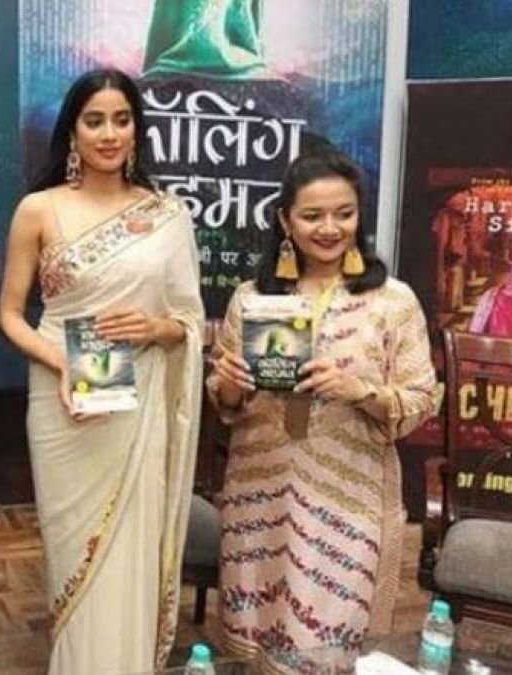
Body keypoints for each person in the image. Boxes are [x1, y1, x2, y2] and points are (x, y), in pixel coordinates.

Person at [0, 68, 204, 674]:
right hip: (62, 400)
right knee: (75, 556)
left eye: (121, 119)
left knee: (131, 548)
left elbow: (190, 321)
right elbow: (10, 315)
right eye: (95, 121)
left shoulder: (166, 214)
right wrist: (62, 361)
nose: (109, 134)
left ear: (137, 129)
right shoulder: (39, 210)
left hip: (137, 404)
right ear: (73, 131)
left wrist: (157, 328)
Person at [207, 150, 438, 670]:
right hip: (259, 492)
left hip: (346, 500)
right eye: (312, 216)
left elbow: (420, 399)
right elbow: (225, 402)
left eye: (344, 213)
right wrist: (229, 385)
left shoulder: (393, 302)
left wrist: (359, 389)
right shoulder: (252, 298)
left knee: (326, 645)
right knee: (257, 637)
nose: (330, 228)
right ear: (285, 221)